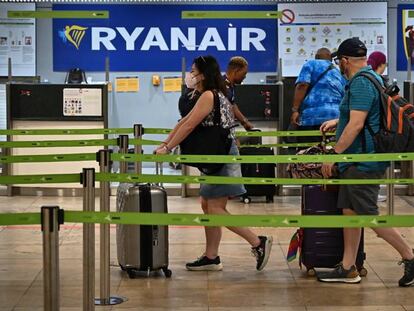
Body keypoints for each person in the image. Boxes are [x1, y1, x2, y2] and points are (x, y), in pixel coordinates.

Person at [155, 55, 273, 271]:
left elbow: (189, 125)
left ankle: (257, 242)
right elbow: (183, 121)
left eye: (194, 71)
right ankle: (211, 256)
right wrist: (166, 143)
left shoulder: (210, 95)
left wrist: (168, 148)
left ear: (203, 74)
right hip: (217, 157)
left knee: (216, 208)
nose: (191, 76)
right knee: (207, 205)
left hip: (223, 158)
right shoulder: (208, 94)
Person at [318, 38, 414, 286]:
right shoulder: (372, 77)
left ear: (346, 61)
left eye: (340, 60)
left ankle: (410, 256)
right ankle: (348, 268)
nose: (339, 64)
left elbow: (358, 123)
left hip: (363, 163)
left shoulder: (360, 83)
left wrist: (334, 154)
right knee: (350, 212)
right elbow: (363, 116)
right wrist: (338, 122)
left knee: (369, 215)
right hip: (357, 161)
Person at [290, 48, 346, 143]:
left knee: (308, 152)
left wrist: (295, 110)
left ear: (316, 57)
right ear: (331, 59)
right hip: (334, 120)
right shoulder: (338, 72)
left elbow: (302, 85)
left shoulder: (310, 64)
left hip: (311, 118)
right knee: (330, 152)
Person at [223, 56, 254, 130]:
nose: (245, 76)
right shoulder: (222, 86)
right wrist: (245, 122)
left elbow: (232, 104)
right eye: (244, 73)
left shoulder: (230, 86)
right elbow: (231, 106)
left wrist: (244, 122)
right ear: (236, 71)